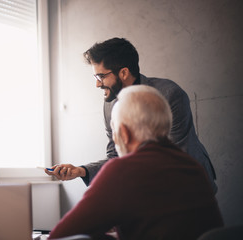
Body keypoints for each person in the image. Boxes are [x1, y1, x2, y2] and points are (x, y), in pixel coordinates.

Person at [48, 85, 223, 240]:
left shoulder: (122, 170)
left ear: (124, 133)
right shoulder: (193, 166)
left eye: (114, 131)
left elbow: (61, 236)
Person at [45, 37, 217, 193]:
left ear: (124, 73)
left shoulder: (170, 94)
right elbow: (115, 157)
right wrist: (81, 171)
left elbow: (177, 156)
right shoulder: (109, 105)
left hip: (191, 187)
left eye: (100, 76)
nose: (97, 84)